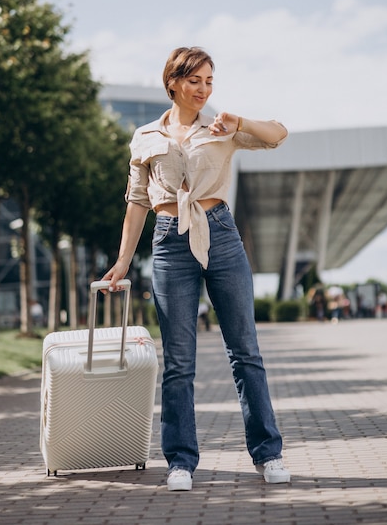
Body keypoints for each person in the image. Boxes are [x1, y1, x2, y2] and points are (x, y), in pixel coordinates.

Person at [102, 46, 290, 491]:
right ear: (173, 83)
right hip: (169, 242)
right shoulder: (146, 135)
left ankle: (269, 454)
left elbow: (278, 134)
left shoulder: (222, 127)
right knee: (179, 362)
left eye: (209, 81)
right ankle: (181, 461)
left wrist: (240, 122)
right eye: (194, 81)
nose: (203, 89)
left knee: (246, 353)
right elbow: (137, 202)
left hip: (221, 235)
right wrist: (123, 260)